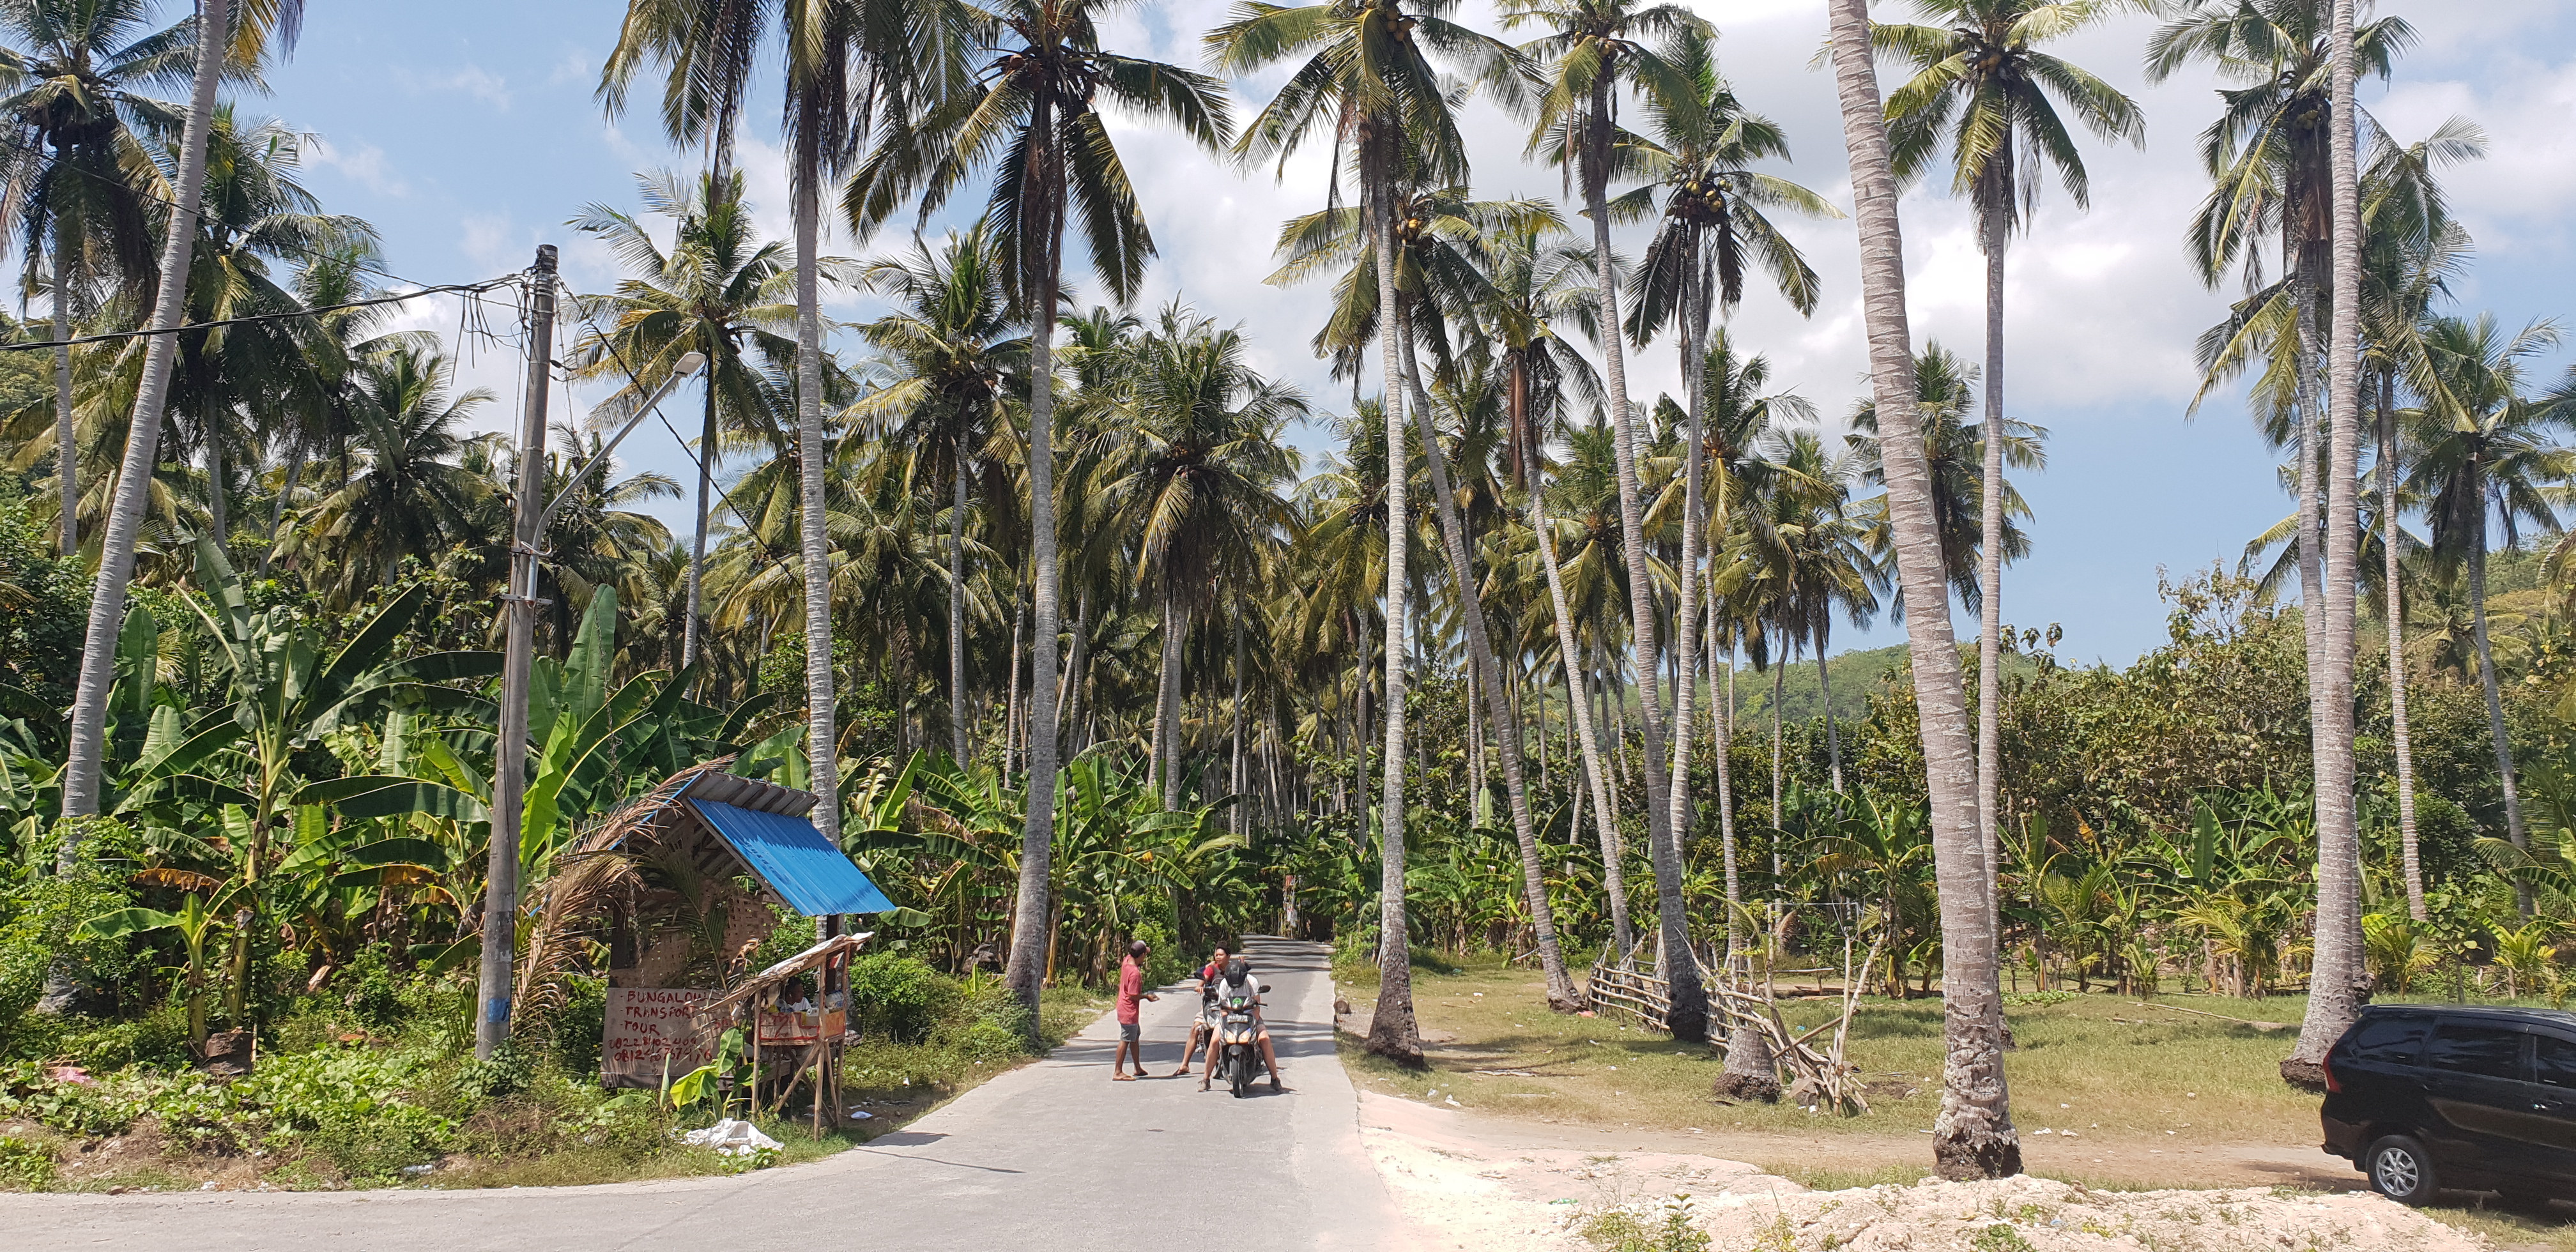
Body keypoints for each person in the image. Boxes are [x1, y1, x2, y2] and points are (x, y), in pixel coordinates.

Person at [1199, 957, 1284, 1092]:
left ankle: (1275, 1079)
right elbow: (1223, 1010)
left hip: (1250, 1017)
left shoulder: (1252, 982)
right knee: (1215, 1041)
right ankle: (1206, 1079)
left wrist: (1254, 1023)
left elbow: (1257, 1007)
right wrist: (1226, 1023)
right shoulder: (1224, 984)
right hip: (1228, 1018)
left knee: (1264, 1039)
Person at [1171, 945, 1230, 1078]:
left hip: (1229, 1006)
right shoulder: (1212, 968)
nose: (1218, 957)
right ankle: (1184, 1064)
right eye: (1216, 955)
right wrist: (1199, 987)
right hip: (1211, 1005)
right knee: (1196, 1028)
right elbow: (1202, 980)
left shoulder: (1233, 969)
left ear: (1228, 956)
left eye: (1221, 955)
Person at [1112, 939, 1158, 1080]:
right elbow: (1132, 995)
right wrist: (1146, 996)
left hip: (1123, 1007)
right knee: (1126, 1039)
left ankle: (1137, 1068)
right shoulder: (1135, 974)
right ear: (1141, 955)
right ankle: (1118, 1072)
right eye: (1145, 955)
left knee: (1135, 1036)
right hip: (1129, 1011)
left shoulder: (1127, 961)